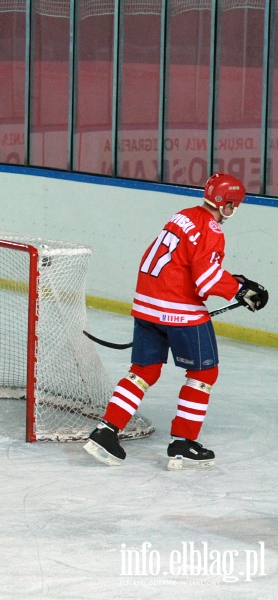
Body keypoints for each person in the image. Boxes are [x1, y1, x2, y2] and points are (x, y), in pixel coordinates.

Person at [84, 173, 268, 470]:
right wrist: (239, 290)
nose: (234, 211)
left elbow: (183, 263)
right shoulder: (212, 230)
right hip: (179, 312)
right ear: (226, 204)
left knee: (143, 371)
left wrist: (235, 282)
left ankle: (106, 432)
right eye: (234, 205)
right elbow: (206, 279)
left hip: (146, 305)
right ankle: (183, 445)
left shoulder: (182, 216)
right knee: (204, 374)